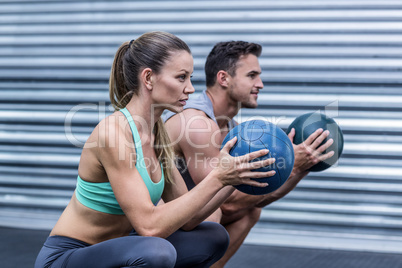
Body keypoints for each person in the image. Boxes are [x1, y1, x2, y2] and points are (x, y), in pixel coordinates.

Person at [34, 32, 276, 268]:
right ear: (148, 78)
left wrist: (233, 176)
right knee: (156, 252)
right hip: (71, 255)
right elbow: (149, 227)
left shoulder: (157, 134)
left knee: (213, 237)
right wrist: (218, 177)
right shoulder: (114, 133)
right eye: (182, 77)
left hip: (123, 249)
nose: (190, 89)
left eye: (190, 78)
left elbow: (190, 219)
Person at [163, 41, 335, 267]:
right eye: (252, 75)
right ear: (223, 78)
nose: (260, 84)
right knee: (215, 216)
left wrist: (301, 166)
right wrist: (292, 165)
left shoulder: (232, 128)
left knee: (251, 211)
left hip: (187, 220)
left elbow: (260, 195)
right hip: (153, 223)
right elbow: (226, 205)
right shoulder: (199, 122)